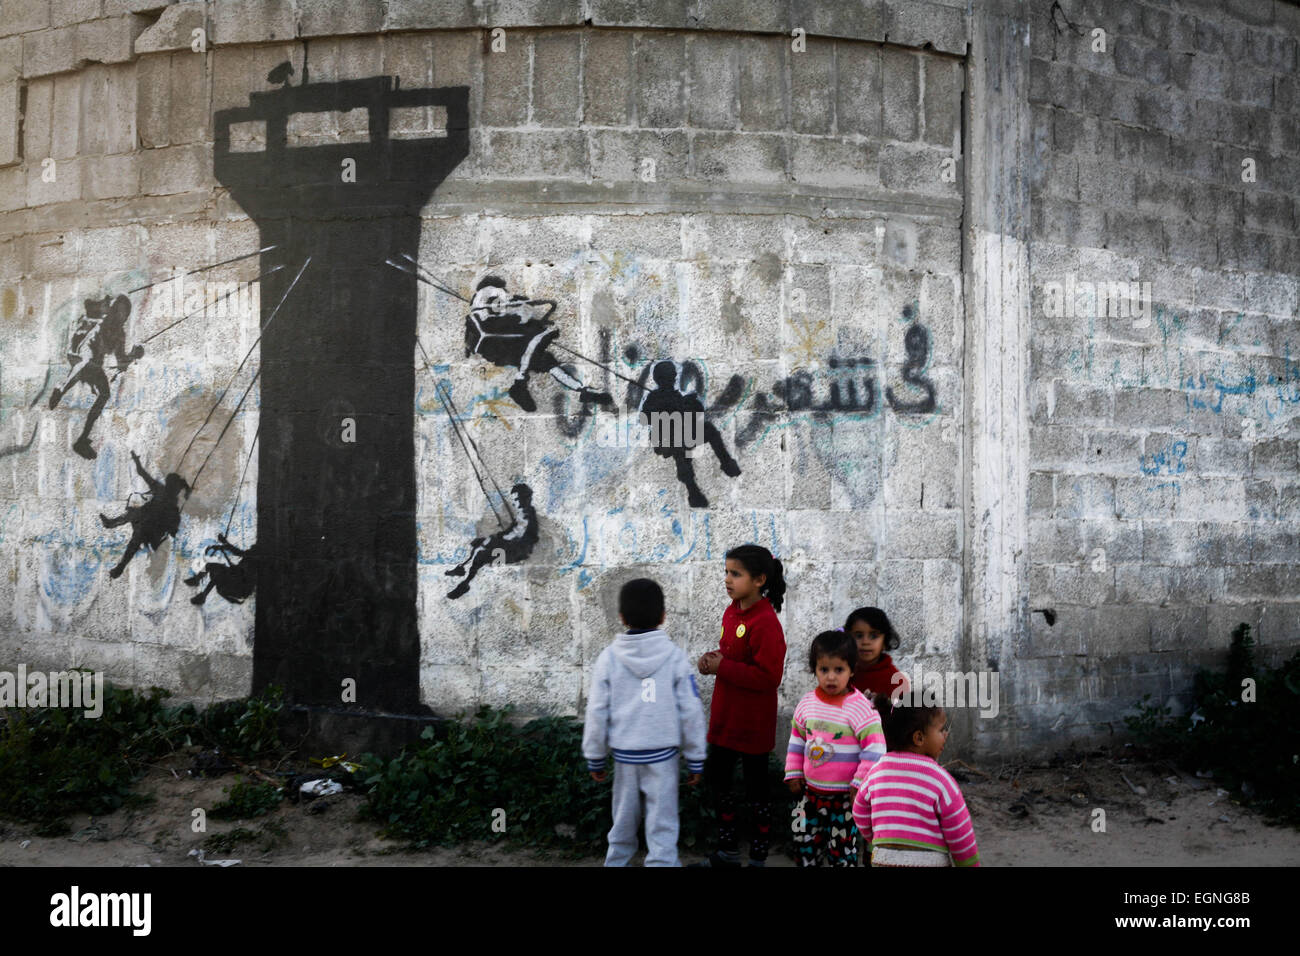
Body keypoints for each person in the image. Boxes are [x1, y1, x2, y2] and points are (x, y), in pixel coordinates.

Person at [582, 578, 707, 867]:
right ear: (663, 617)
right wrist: (696, 757)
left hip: (625, 756)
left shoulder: (608, 658)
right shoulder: (675, 658)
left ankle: (616, 861)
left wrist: (595, 756)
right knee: (662, 822)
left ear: (622, 618)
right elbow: (690, 710)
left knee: (623, 819)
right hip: (663, 757)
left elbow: (597, 710)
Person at [694, 543, 786, 867]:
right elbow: (731, 655)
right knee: (719, 782)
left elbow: (768, 677)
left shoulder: (766, 623)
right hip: (725, 715)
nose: (728, 580)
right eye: (726, 572)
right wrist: (713, 660)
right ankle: (727, 851)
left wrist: (725, 667)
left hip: (752, 722)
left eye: (736, 574)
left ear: (759, 579)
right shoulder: (731, 610)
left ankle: (759, 857)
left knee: (756, 790)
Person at [784, 630, 886, 866]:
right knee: (804, 845)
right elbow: (797, 738)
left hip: (845, 800)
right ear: (815, 669)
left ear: (851, 670)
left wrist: (860, 782)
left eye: (838, 670)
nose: (831, 677)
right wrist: (794, 772)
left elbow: (876, 749)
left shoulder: (861, 708)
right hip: (808, 795)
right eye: (824, 670)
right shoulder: (807, 704)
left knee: (842, 853)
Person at [852, 699, 980, 867]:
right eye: (941, 730)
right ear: (919, 737)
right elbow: (960, 833)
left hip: (883, 859)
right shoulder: (941, 780)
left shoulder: (875, 774)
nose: (946, 734)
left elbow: (859, 811)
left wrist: (877, 838)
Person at [464, 276, 613, 412]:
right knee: (538, 337)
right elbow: (495, 320)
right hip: (493, 345)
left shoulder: (494, 296)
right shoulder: (486, 297)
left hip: (505, 345)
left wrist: (527, 317)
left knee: (547, 360)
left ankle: (582, 390)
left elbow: (508, 316)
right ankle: (519, 383)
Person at [48, 293, 144, 460]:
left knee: (105, 393)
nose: (122, 315)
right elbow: (88, 303)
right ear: (114, 310)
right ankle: (61, 388)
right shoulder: (102, 322)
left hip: (94, 365)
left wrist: (133, 355)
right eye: (119, 311)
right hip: (81, 355)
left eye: (125, 312)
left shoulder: (119, 334)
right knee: (87, 361)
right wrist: (105, 302)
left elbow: (121, 359)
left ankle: (83, 439)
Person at [638, 360, 741, 508]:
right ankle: (693, 491)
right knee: (679, 449)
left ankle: (726, 462)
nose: (672, 381)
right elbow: (644, 419)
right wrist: (658, 407)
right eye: (669, 378)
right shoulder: (653, 397)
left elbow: (692, 414)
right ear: (660, 379)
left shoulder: (675, 396)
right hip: (664, 439)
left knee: (709, 430)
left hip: (681, 434)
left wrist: (687, 404)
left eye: (672, 378)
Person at [99, 451, 189, 579]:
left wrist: (136, 461)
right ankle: (111, 524)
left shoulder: (167, 499)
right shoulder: (166, 497)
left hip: (151, 531)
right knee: (137, 513)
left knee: (138, 530)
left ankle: (120, 566)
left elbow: (172, 529)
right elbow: (142, 473)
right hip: (144, 522)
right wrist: (136, 461)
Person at [445, 482, 538, 599]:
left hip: (517, 552)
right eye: (514, 499)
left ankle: (465, 580)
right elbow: (512, 530)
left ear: (524, 498)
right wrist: (498, 536)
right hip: (514, 546)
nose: (514, 503)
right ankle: (463, 570)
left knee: (481, 552)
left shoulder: (526, 515)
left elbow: (515, 533)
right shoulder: (524, 513)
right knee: (479, 546)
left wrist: (497, 537)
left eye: (516, 499)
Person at [846, 606, 911, 701]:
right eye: (859, 636)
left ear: (885, 642)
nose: (865, 642)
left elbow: (901, 715)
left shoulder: (895, 681)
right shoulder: (843, 673)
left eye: (873, 636)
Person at [185, 533, 259, 605]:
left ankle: (203, 595)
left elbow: (237, 554)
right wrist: (222, 545)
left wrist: (224, 542)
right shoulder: (249, 556)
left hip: (241, 588)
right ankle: (197, 580)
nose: (251, 547)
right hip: (237, 581)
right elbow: (237, 552)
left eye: (253, 548)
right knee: (212, 566)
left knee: (219, 574)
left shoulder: (254, 560)